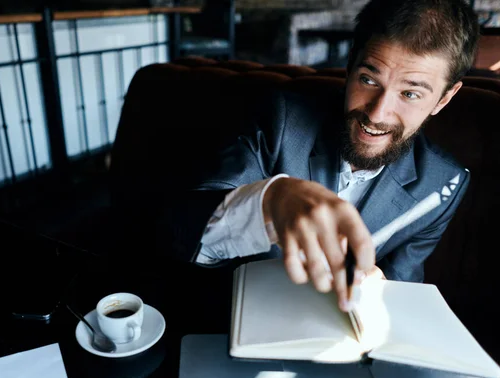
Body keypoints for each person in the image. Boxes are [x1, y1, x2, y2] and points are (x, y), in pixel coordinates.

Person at [110, 0, 480, 312]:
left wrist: (382, 291)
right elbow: (177, 233)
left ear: (444, 99)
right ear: (350, 66)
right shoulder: (280, 118)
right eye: (369, 79)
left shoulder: (444, 183)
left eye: (410, 94)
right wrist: (269, 203)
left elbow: (403, 292)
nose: (377, 113)